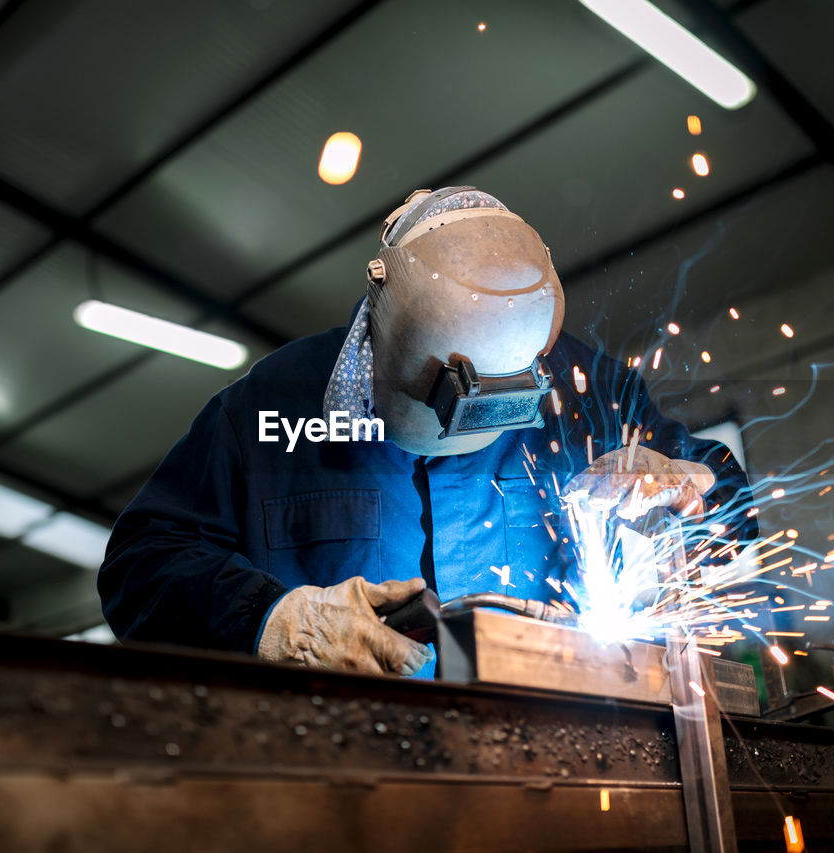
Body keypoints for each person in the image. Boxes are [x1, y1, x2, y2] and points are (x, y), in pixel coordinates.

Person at [98, 187, 755, 677]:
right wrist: (276, 619)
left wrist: (697, 489)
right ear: (388, 340)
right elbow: (140, 565)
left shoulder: (588, 390)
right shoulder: (274, 404)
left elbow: (726, 501)